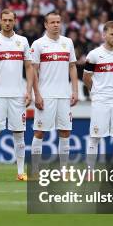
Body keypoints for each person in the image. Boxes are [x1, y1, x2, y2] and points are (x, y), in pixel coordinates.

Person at [0, 9, 33, 181]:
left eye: (10, 20)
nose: (7, 23)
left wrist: (29, 90)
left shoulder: (23, 41)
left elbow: (29, 67)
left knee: (19, 134)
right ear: (0, 21)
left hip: (18, 95)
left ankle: (20, 172)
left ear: (15, 21)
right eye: (4, 20)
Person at [30, 12, 78, 166]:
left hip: (64, 95)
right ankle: (35, 169)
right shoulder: (38, 44)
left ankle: (64, 169)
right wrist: (36, 94)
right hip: (46, 95)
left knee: (65, 132)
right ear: (46, 25)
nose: (56, 25)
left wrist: (75, 91)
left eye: (58, 22)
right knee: (39, 132)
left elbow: (72, 67)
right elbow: (33, 71)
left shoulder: (68, 42)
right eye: (52, 22)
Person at [83, 21, 113, 168]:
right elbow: (86, 77)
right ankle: (90, 170)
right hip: (100, 100)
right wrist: (96, 91)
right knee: (95, 136)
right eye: (112, 34)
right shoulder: (94, 55)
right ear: (104, 35)